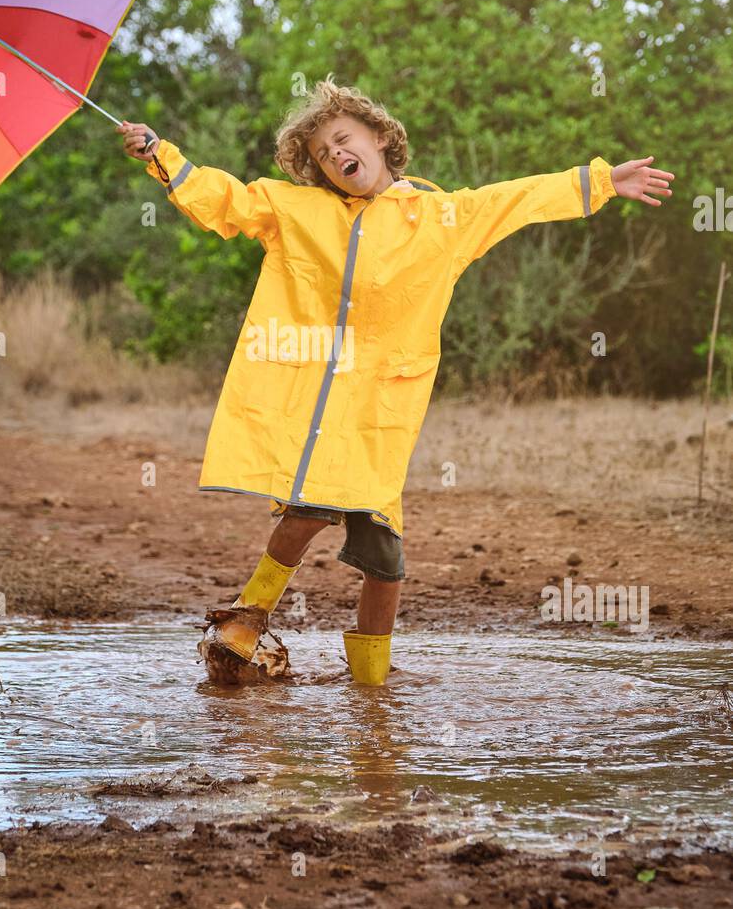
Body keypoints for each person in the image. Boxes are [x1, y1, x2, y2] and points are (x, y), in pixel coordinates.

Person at [119, 78, 673, 685]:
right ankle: (247, 618)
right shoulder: (302, 212)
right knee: (311, 509)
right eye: (323, 156)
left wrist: (599, 182)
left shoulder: (441, 216)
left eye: (341, 140)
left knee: (386, 566)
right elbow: (227, 200)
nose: (334, 157)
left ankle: (372, 691)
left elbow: (515, 199)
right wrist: (162, 157)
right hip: (325, 411)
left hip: (384, 417)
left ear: (380, 138)